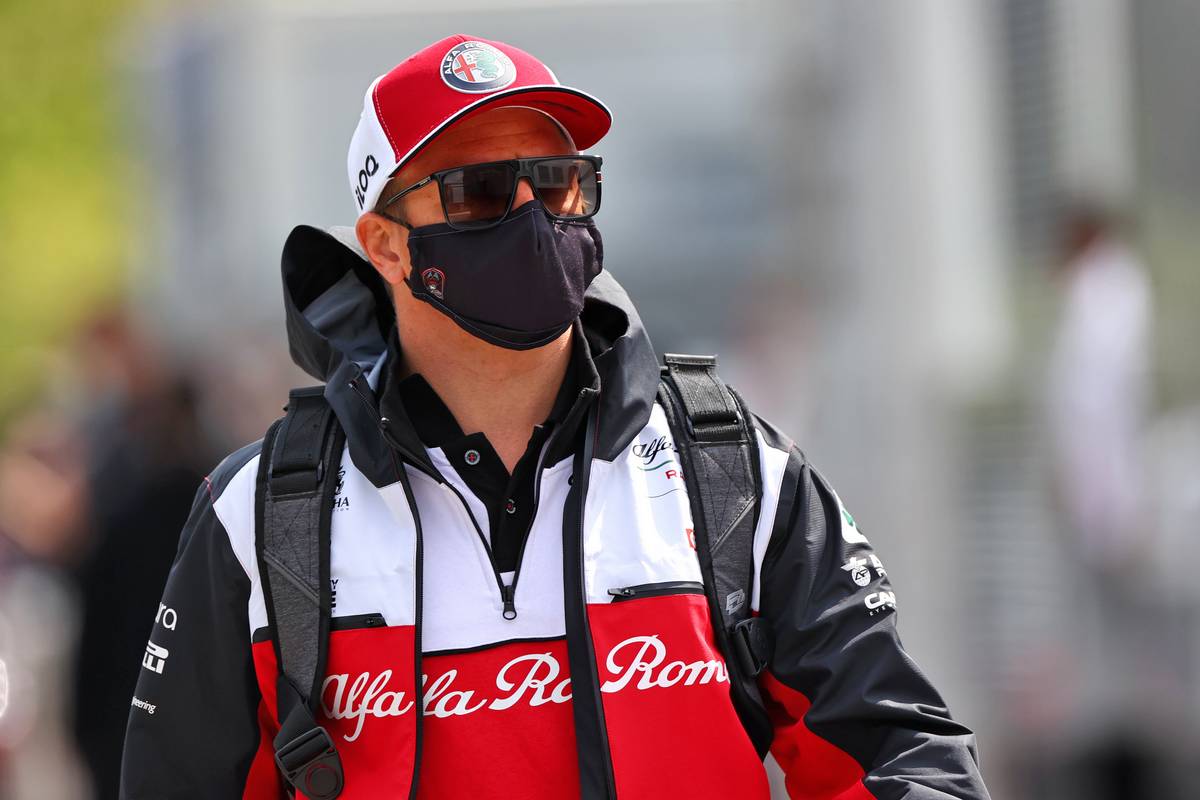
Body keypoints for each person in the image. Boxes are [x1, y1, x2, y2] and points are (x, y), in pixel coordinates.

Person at [119, 34, 990, 799]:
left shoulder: (734, 474)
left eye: (560, 182)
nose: (533, 218)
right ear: (384, 244)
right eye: (482, 192)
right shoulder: (264, 515)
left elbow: (899, 755)